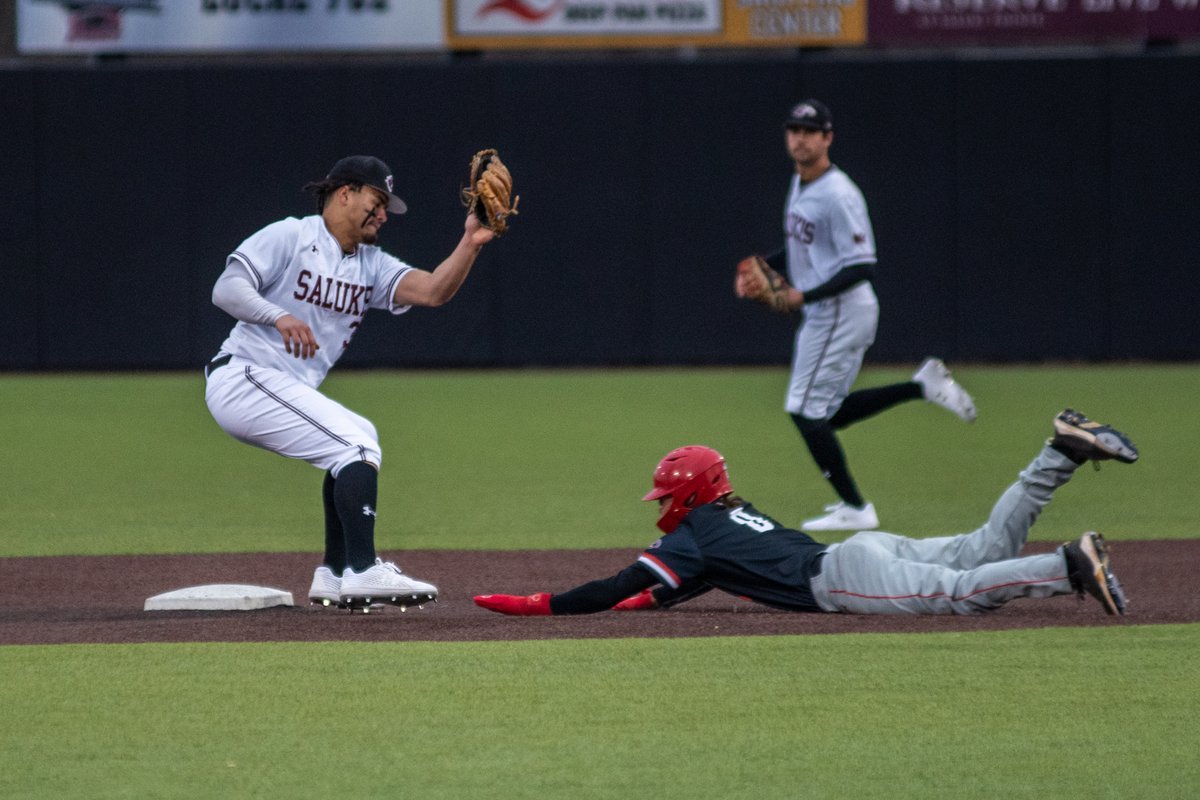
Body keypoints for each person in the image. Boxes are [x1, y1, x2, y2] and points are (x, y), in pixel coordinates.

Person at [473, 409, 1137, 618]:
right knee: (983, 546)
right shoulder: (732, 518)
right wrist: (645, 606)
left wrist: (541, 603)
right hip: (861, 550)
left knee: (959, 594)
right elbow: (689, 582)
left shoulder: (695, 534)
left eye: (670, 495)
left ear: (695, 493)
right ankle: (1058, 452)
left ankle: (1068, 566)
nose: (665, 506)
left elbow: (623, 583)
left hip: (842, 578)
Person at [205, 155, 496, 610]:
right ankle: (364, 569)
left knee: (360, 438)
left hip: (277, 385)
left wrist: (471, 242)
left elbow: (434, 290)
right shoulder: (292, 235)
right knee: (355, 448)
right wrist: (277, 315)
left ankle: (336, 572)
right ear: (345, 193)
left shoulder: (370, 264)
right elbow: (226, 287)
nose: (383, 215)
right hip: (242, 376)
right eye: (377, 201)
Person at [735, 98, 976, 533]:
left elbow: (863, 265)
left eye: (809, 131)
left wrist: (801, 295)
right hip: (827, 313)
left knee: (804, 411)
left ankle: (857, 508)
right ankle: (922, 386)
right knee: (825, 413)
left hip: (840, 311)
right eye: (794, 130)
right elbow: (800, 248)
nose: (800, 138)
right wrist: (765, 268)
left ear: (828, 138)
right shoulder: (801, 181)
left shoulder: (839, 194)